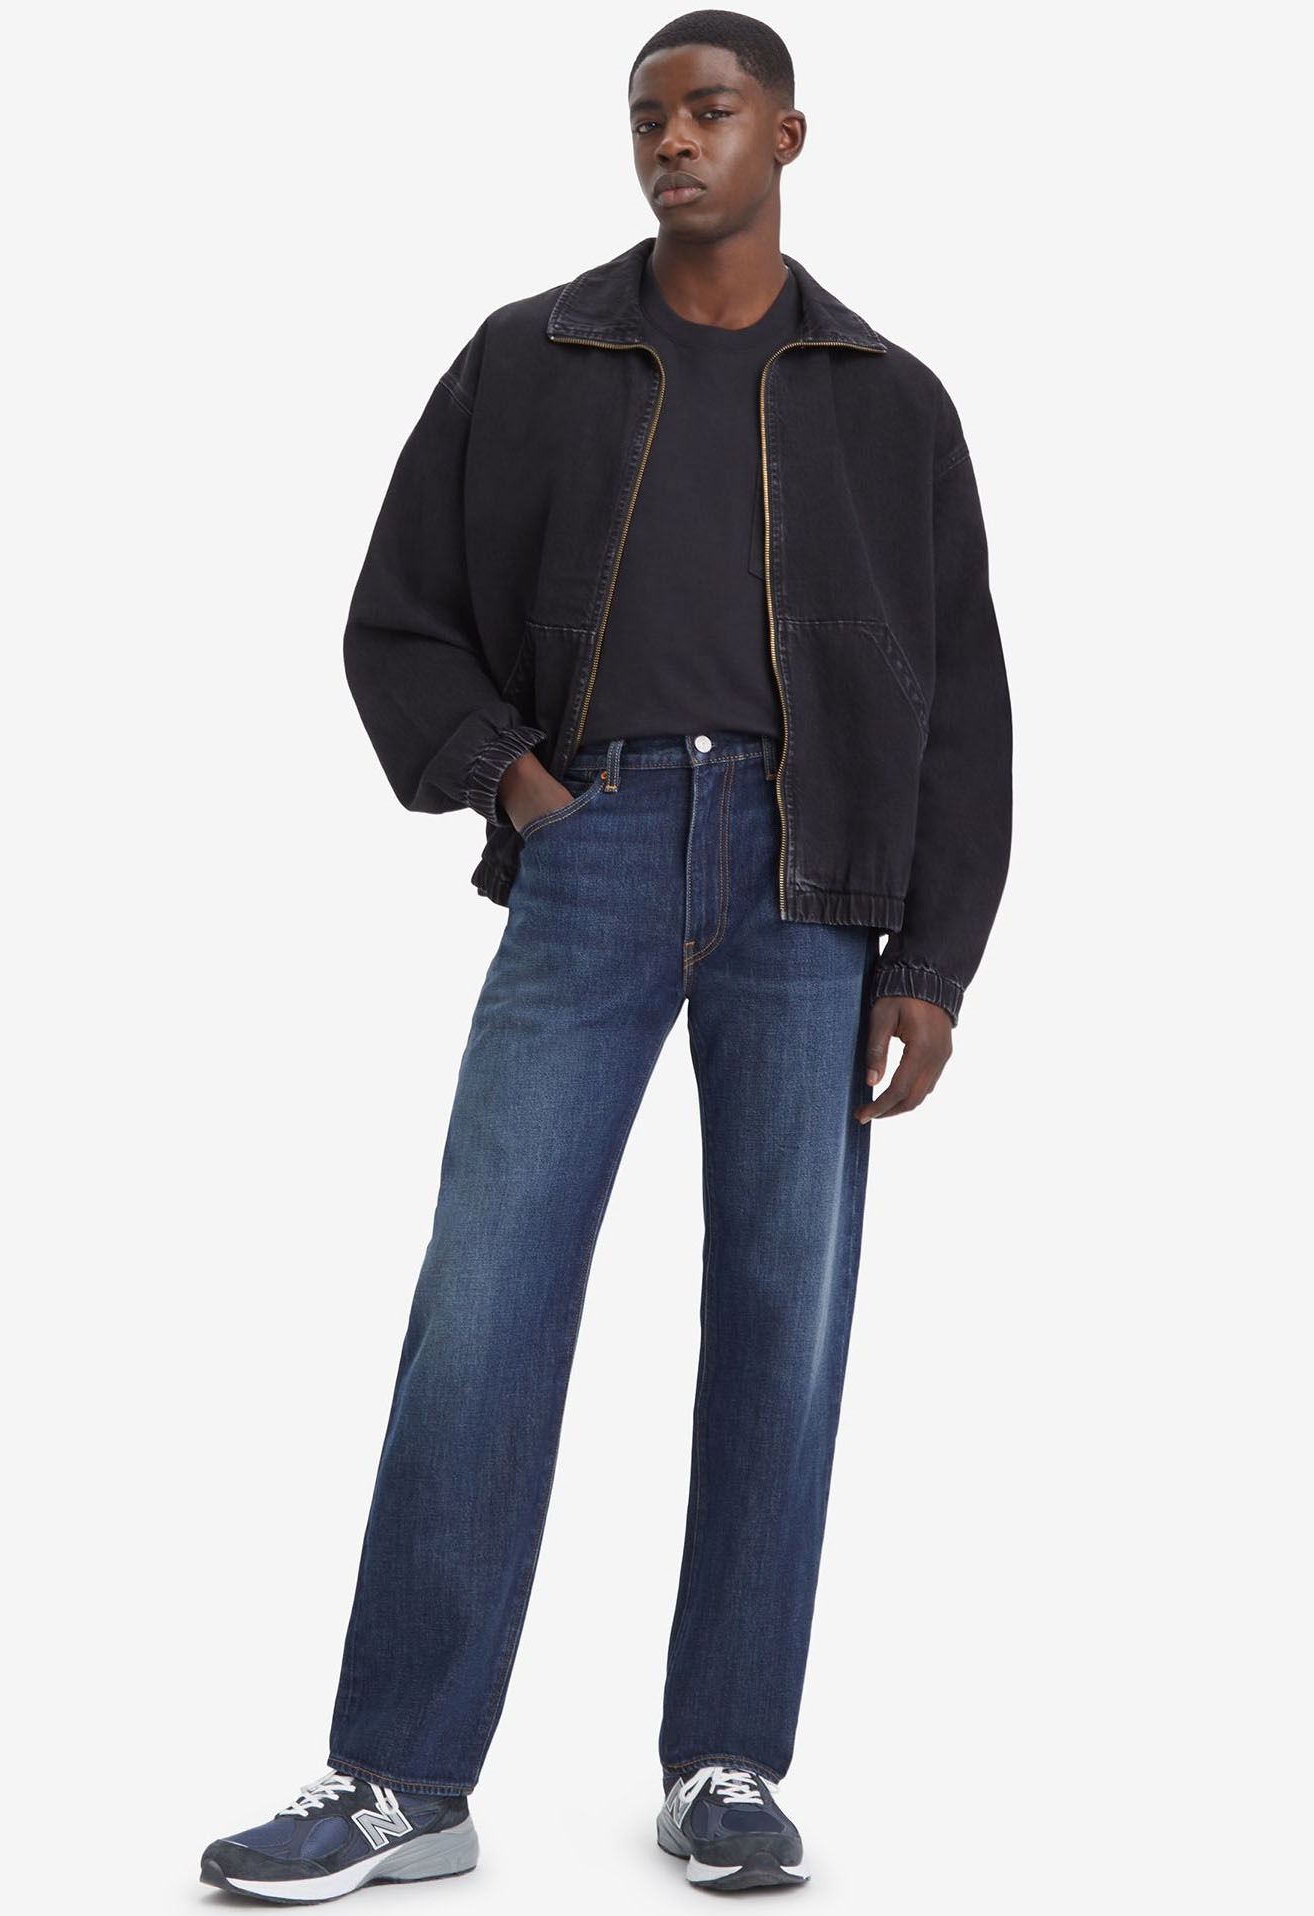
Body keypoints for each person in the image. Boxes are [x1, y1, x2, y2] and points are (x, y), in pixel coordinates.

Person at [200, 8, 1012, 1901]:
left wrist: (933, 958)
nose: (671, 140)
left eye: (709, 109)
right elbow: (396, 617)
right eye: (647, 115)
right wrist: (513, 781)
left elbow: (961, 691)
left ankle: (725, 1761)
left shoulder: (887, 398)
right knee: (486, 1297)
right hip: (597, 842)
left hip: (815, 884)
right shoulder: (532, 355)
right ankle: (400, 1777)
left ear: (786, 135)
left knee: (783, 1325)